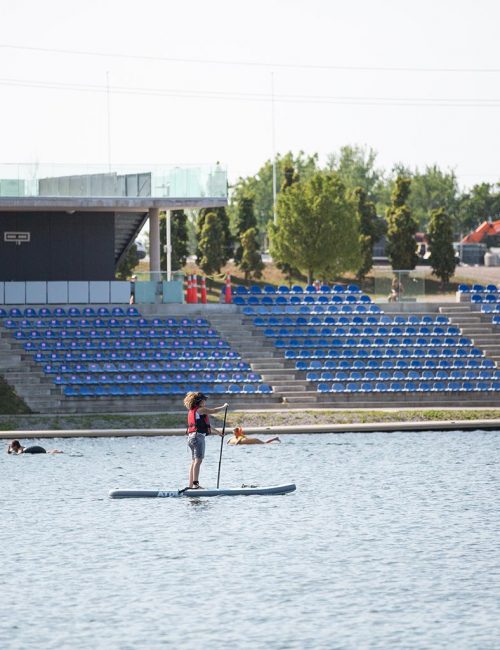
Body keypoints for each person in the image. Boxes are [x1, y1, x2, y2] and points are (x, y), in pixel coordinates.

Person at [183, 392, 228, 489]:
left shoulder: (193, 411)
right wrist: (224, 406)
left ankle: (191, 485)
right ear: (199, 401)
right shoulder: (201, 410)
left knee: (194, 461)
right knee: (198, 461)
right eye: (204, 400)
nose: (205, 402)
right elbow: (214, 411)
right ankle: (195, 485)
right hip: (198, 437)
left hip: (191, 438)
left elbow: (206, 425)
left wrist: (219, 433)